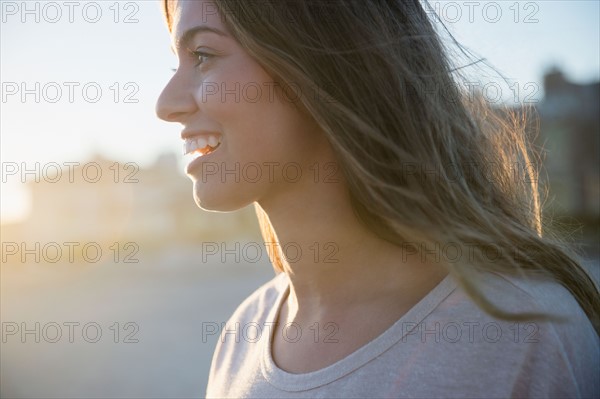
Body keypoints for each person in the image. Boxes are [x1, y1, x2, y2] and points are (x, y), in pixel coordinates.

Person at [155, 1, 599, 397]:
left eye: (203, 56)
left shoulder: (526, 335)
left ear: (320, 63)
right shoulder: (242, 335)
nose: (165, 103)